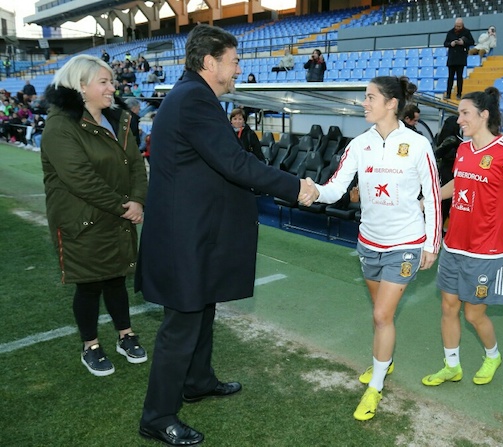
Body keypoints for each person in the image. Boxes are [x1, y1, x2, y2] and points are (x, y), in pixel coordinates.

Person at [136, 25, 315, 446]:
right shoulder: (194, 99)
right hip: (185, 237)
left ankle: (197, 381)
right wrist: (295, 186)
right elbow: (235, 163)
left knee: (202, 310)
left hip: (196, 232)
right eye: (234, 62)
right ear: (209, 62)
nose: (238, 69)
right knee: (181, 326)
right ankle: (157, 416)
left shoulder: (193, 96)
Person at [312, 76, 441, 421]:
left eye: (370, 97)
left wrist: (432, 243)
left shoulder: (417, 144)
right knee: (381, 314)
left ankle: (376, 385)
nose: (364, 103)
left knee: (382, 315)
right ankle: (386, 360)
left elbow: (432, 196)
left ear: (391, 103)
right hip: (369, 243)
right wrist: (312, 190)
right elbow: (336, 187)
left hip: (407, 243)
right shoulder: (359, 144)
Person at [40, 54, 148, 377]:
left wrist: (138, 200)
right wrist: (125, 206)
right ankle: (90, 345)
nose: (112, 88)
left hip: (117, 215)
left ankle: (125, 334)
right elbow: (81, 179)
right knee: (88, 284)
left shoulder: (119, 120)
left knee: (116, 278)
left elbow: (136, 165)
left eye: (111, 81)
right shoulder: (60, 126)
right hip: (82, 221)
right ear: (81, 86)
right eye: (104, 82)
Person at [422, 87, 503, 388]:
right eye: (459, 114)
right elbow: (458, 184)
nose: (459, 120)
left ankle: (493, 355)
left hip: (487, 250)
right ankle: (451, 366)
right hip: (454, 243)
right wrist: (428, 199)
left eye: (464, 113)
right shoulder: (464, 149)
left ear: (484, 115)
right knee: (448, 306)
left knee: (473, 314)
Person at [443, 18, 474, 100]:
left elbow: (472, 42)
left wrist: (463, 43)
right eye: (456, 26)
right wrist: (451, 44)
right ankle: (448, 94)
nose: (458, 27)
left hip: (461, 58)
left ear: (462, 25)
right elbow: (445, 43)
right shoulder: (450, 32)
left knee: (459, 77)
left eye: (459, 26)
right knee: (450, 77)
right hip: (452, 58)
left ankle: (459, 94)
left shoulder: (467, 32)